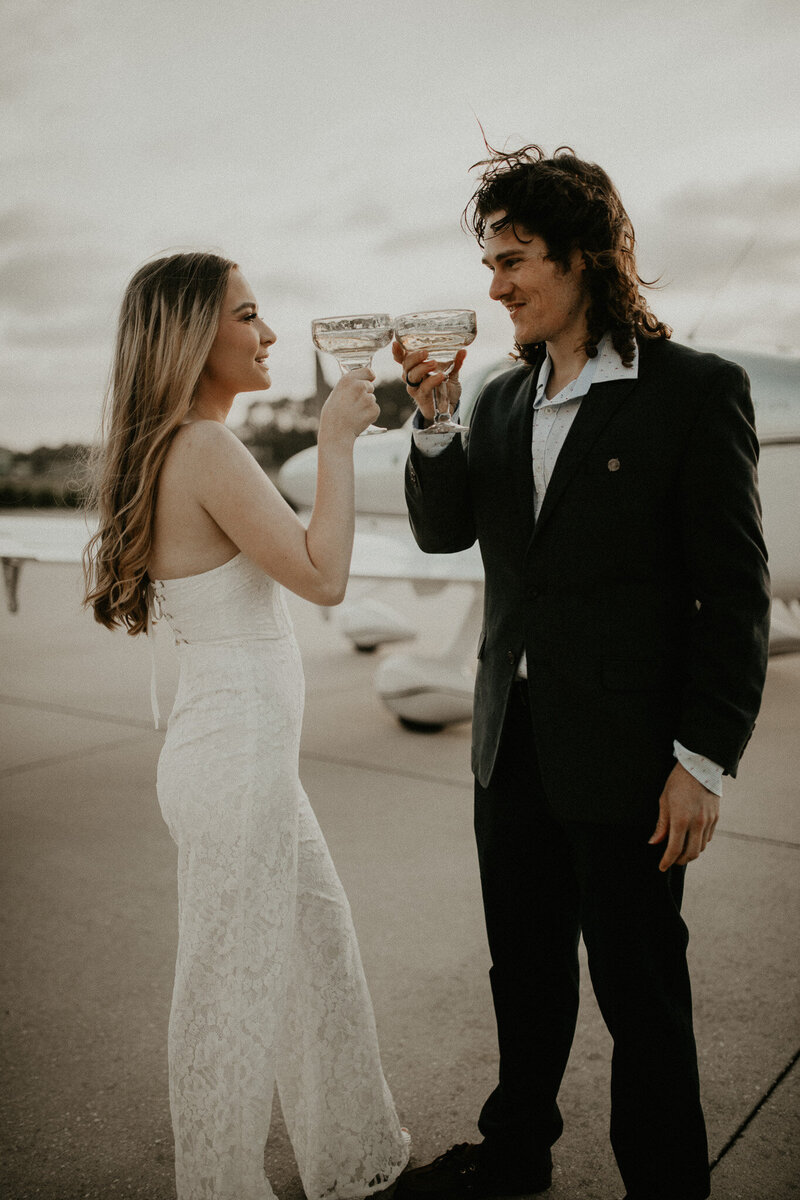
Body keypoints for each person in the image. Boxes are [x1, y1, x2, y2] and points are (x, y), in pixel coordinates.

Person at [393, 146, 770, 1200]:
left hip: (633, 761)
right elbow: (443, 535)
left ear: (585, 259)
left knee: (641, 992)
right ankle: (514, 1158)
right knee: (523, 975)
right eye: (490, 260)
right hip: (506, 745)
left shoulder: (693, 392)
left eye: (513, 260)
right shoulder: (502, 401)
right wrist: (432, 422)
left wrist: (700, 758)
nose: (494, 284)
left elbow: (732, 596)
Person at [83, 252, 410, 1200]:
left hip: (235, 760)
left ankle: (352, 1154)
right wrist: (338, 440)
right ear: (193, 336)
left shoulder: (176, 447)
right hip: (237, 766)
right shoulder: (207, 449)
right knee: (229, 987)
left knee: (317, 952)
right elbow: (324, 576)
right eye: (250, 317)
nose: (270, 336)